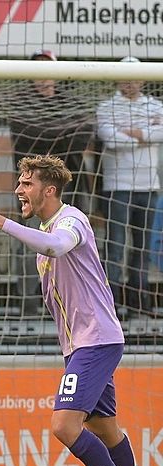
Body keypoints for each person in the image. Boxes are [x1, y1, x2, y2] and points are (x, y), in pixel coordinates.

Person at [0, 154, 146, 466]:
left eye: (26, 183)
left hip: (95, 342)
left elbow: (57, 245)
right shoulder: (47, 229)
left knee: (64, 426)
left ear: (48, 189)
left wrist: (1, 222)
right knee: (107, 431)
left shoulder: (71, 221)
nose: (19, 189)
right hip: (83, 344)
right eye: (19, 182)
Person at [9, 49, 94, 315]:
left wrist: (50, 137)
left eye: (48, 68)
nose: (44, 75)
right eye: (38, 69)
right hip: (33, 195)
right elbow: (27, 138)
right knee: (30, 244)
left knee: (68, 247)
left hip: (70, 193)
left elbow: (83, 134)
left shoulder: (70, 103)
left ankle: (69, 305)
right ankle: (30, 303)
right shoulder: (20, 104)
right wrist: (61, 137)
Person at [95, 57, 163, 319]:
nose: (130, 81)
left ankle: (139, 304)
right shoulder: (106, 106)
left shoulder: (155, 105)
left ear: (143, 79)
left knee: (142, 247)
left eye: (135, 76)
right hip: (117, 186)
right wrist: (145, 134)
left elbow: (161, 133)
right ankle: (109, 304)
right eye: (125, 75)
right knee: (115, 246)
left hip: (149, 186)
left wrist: (133, 133)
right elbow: (109, 139)